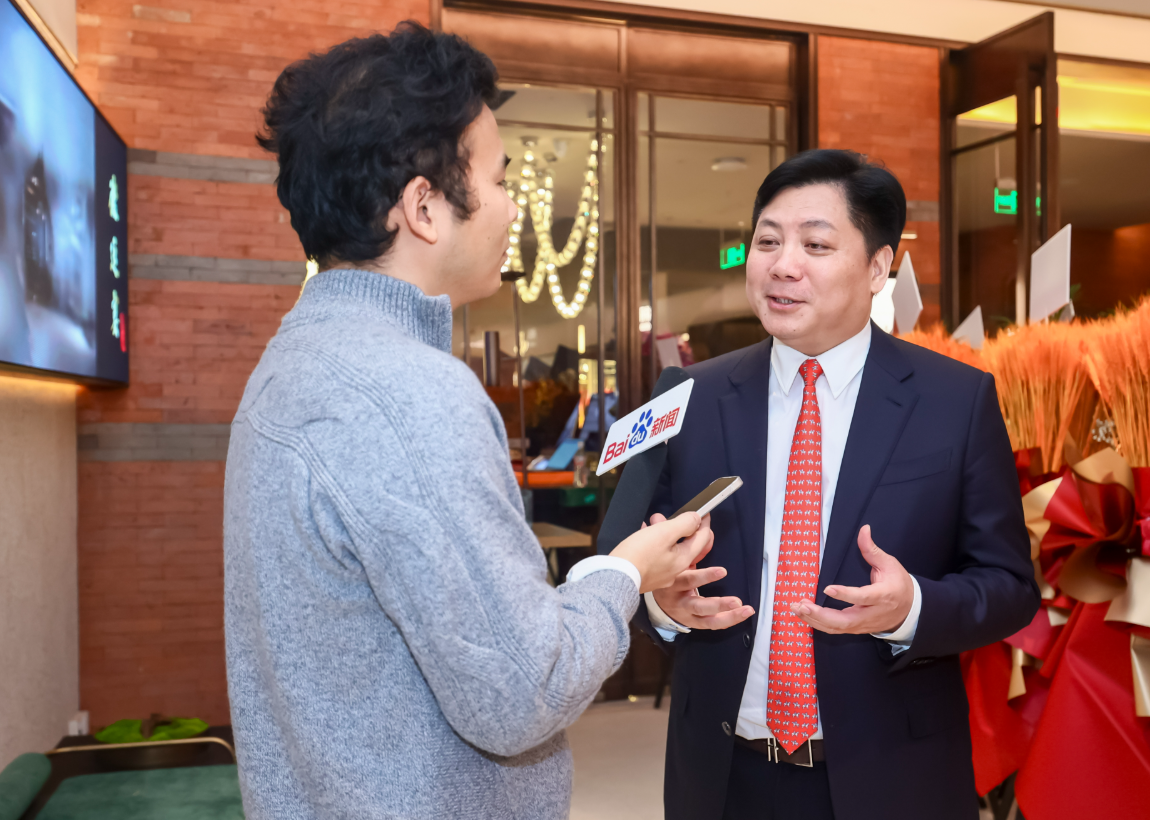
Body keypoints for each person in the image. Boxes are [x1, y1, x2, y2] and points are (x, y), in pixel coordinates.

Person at [222, 23, 713, 820]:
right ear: (424, 207)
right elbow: (524, 689)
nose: (514, 206)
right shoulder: (410, 393)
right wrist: (626, 573)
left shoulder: (291, 361)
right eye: (499, 177)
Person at [635, 149, 1040, 820]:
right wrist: (661, 603)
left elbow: (1009, 587)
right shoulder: (687, 397)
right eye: (768, 241)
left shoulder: (955, 402)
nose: (782, 264)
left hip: (894, 777)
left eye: (816, 244)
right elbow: (622, 555)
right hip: (722, 778)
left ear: (878, 268)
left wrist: (912, 608)